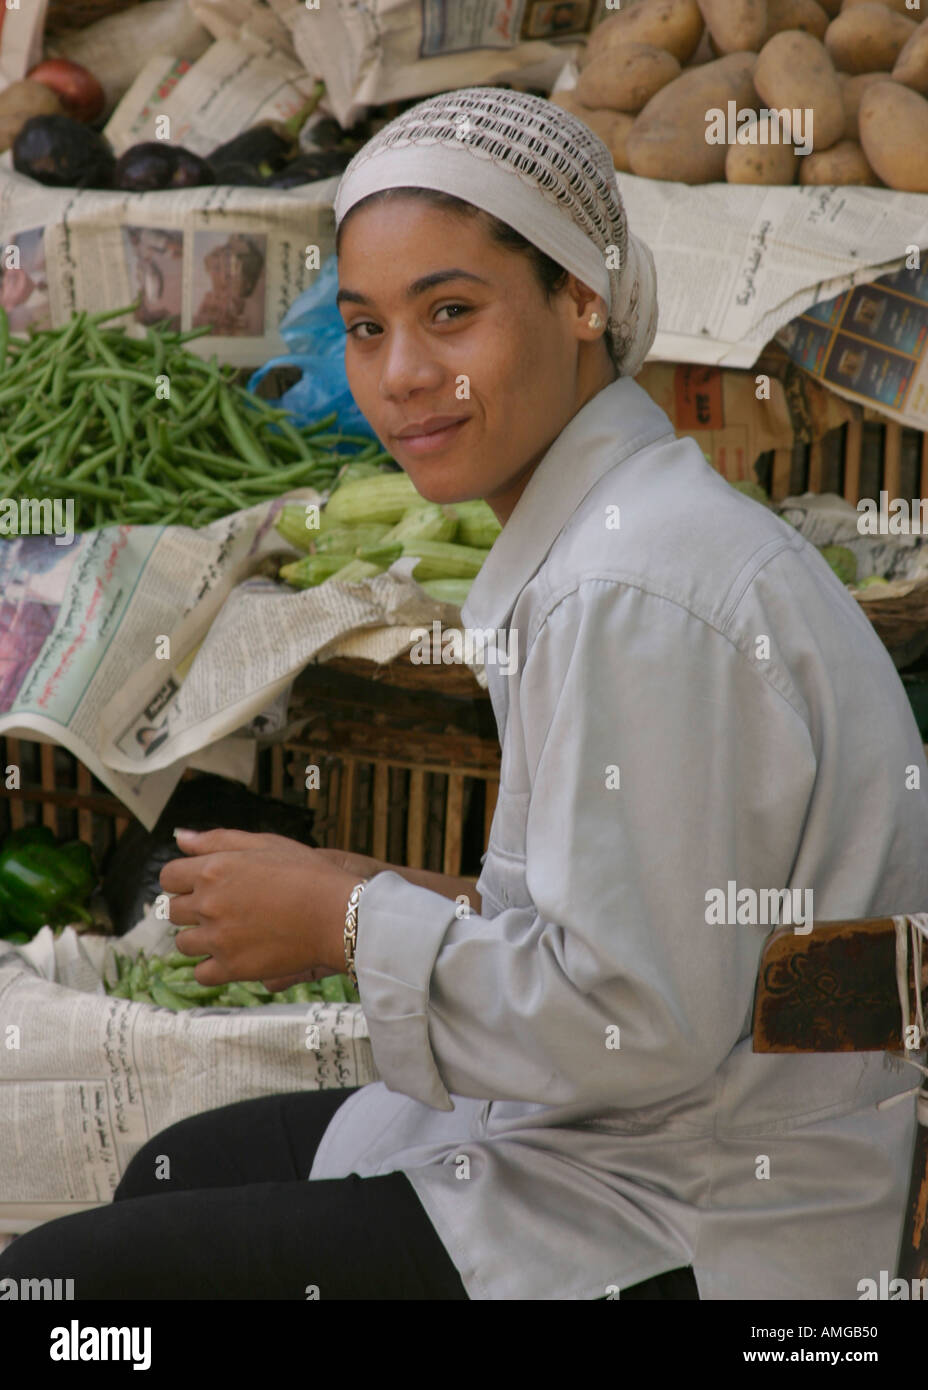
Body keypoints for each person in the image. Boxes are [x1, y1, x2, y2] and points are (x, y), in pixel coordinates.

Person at [2, 87, 927, 1302]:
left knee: (63, 1292)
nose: (401, 375)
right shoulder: (611, 536)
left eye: (450, 313)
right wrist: (384, 892)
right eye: (367, 328)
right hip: (621, 1137)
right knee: (175, 1170)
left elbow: (635, 1023)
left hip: (702, 1215)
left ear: (581, 299)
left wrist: (343, 922)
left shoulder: (631, 592)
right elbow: (645, 927)